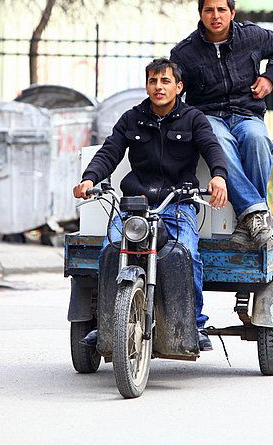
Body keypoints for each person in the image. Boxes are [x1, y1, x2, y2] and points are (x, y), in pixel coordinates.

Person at [73, 58, 228, 351]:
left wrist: (219, 177)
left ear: (178, 87)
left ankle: (195, 324)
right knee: (111, 249)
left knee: (186, 253)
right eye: (153, 81)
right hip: (135, 206)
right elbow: (110, 151)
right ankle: (107, 324)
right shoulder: (132, 118)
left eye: (165, 81)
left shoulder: (193, 118)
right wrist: (89, 179)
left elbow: (212, 149)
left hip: (177, 204)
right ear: (147, 85)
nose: (159, 87)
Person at [170, 0, 273, 247]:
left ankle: (246, 219)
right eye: (209, 10)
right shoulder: (184, 53)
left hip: (247, 113)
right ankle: (258, 214)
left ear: (232, 13)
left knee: (257, 140)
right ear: (200, 14)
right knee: (220, 142)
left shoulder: (251, 36)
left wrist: (270, 77)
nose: (216, 16)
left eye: (222, 10)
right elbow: (175, 92)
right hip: (209, 116)